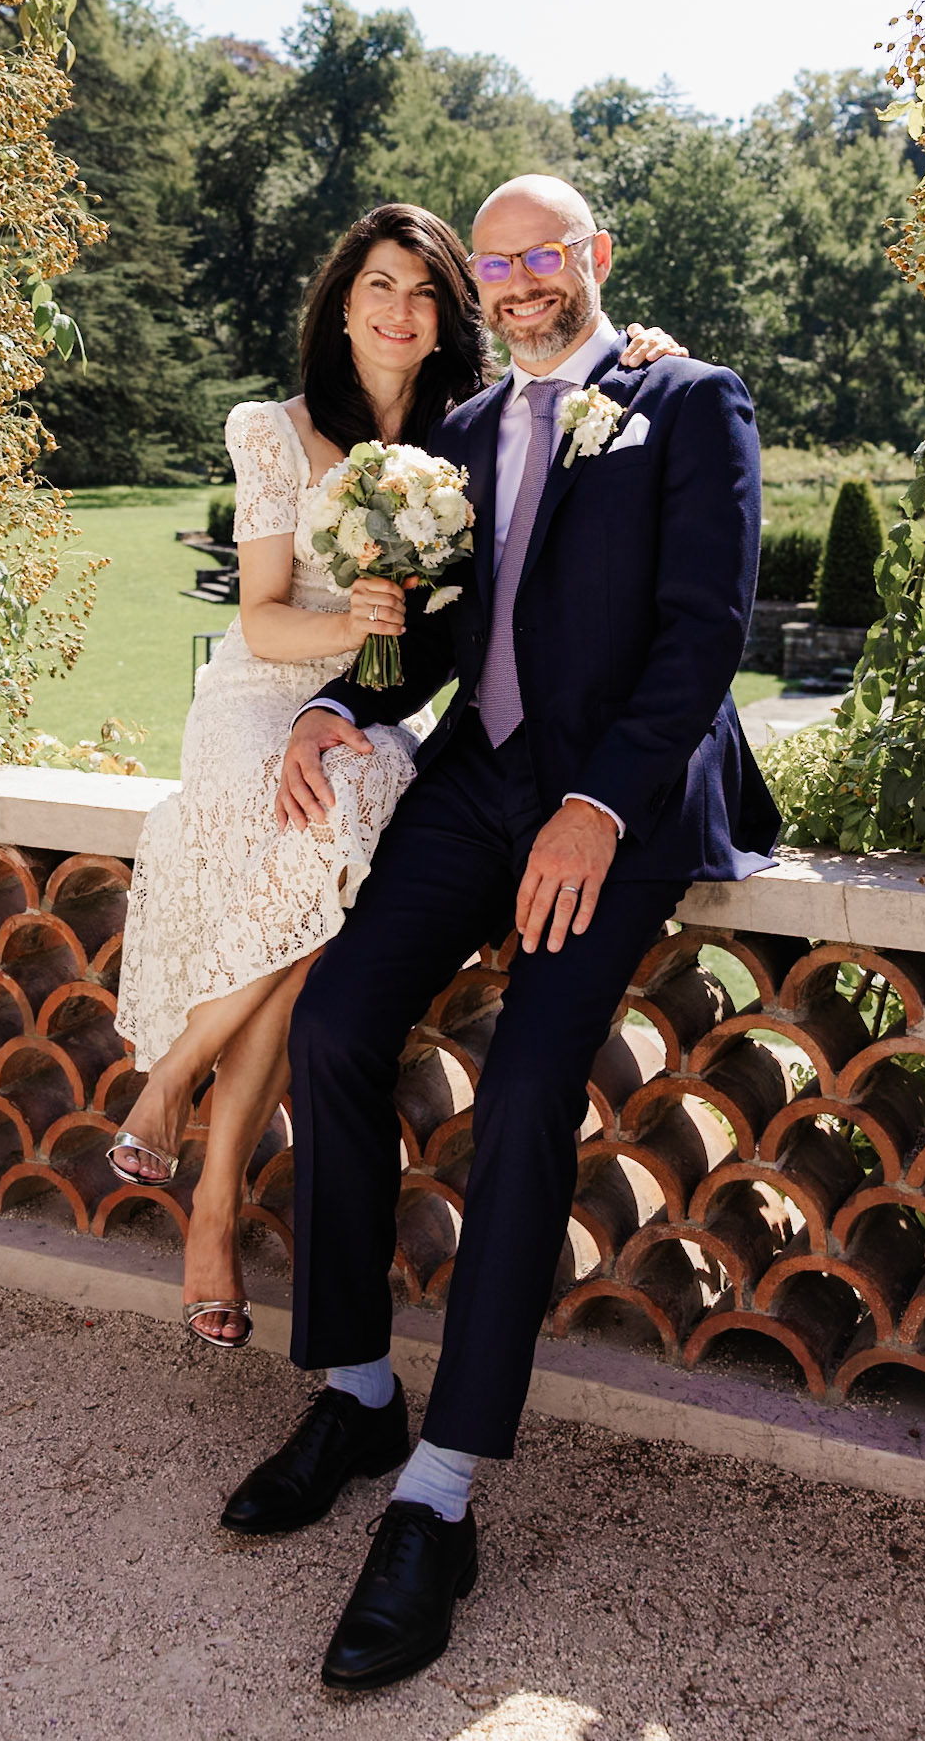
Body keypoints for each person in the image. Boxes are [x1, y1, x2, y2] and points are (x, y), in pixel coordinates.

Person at [220, 175, 780, 1690]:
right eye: (499, 261)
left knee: (528, 1088)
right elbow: (433, 637)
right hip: (479, 779)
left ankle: (441, 1492)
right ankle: (357, 1392)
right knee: (337, 1025)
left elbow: (704, 633)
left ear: (594, 257)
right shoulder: (461, 434)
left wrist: (597, 804)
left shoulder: (689, 401)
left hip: (621, 793)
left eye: (546, 254)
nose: (522, 279)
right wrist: (337, 707)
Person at [110, 199, 684, 1347]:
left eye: (424, 291)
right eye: (378, 284)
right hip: (263, 693)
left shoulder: (468, 428)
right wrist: (352, 637)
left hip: (376, 702)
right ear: (342, 303)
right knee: (326, 849)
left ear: (447, 315)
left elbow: (568, 376)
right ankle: (197, 1160)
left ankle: (181, 1093)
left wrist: (639, 352)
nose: (399, 308)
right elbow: (262, 616)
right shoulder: (272, 430)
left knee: (342, 852)